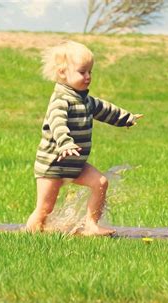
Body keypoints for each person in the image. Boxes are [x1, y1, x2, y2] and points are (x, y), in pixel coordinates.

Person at [25, 40, 143, 236]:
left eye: (90, 72)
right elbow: (57, 124)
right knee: (45, 209)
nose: (88, 77)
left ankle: (91, 224)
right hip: (53, 165)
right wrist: (65, 143)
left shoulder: (85, 100)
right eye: (82, 72)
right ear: (63, 73)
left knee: (101, 183)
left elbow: (105, 109)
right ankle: (28, 236)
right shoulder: (61, 101)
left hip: (75, 163)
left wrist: (126, 118)